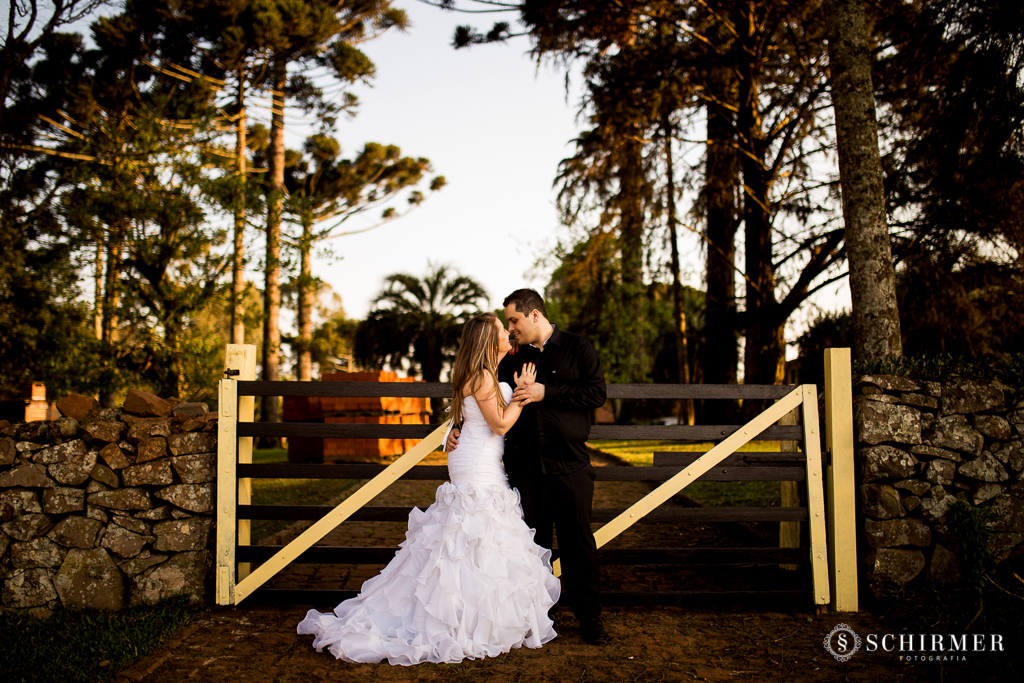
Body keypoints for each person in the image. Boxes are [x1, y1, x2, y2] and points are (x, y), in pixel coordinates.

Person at [297, 312, 560, 665]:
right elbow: (499, 425)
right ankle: (464, 621)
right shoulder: (483, 376)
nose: (507, 333)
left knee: (469, 541)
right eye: (501, 329)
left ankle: (462, 614)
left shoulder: (481, 374)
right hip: (478, 467)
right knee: (475, 536)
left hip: (475, 460)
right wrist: (520, 396)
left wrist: (454, 429)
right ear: (488, 340)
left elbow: (465, 418)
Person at [446, 289, 609, 645]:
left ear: (535, 315)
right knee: (532, 544)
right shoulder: (509, 357)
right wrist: (457, 427)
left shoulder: (579, 348)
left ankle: (589, 618)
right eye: (508, 324)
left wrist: (545, 392)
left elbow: (596, 394)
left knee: (578, 542)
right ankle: (538, 616)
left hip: (570, 463)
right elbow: (478, 392)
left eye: (514, 320)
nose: (511, 329)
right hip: (524, 467)